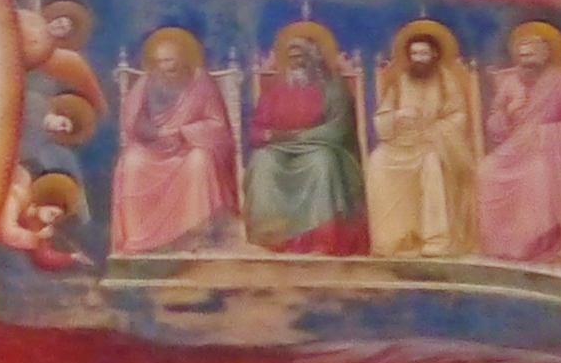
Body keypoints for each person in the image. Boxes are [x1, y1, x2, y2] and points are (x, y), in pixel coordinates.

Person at [477, 19, 561, 267]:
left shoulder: (560, 81)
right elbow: (494, 123)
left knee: (538, 175)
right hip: (515, 147)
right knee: (486, 172)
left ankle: (535, 246)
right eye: (522, 55)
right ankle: (501, 244)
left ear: (545, 56)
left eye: (532, 55)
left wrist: (545, 133)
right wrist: (506, 115)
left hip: (548, 151)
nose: (526, 60)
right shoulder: (509, 83)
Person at [109, 28, 241, 257]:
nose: (164, 66)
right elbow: (132, 123)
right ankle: (139, 239)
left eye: (169, 60)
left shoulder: (201, 83)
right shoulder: (146, 83)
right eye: (158, 61)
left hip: (187, 148)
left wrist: (183, 133)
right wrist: (153, 132)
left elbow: (218, 126)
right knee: (131, 162)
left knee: (199, 160)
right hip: (154, 148)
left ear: (182, 59)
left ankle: (192, 235)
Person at [243, 27, 369, 256]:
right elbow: (256, 129)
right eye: (291, 56)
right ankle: (270, 240)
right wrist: (270, 136)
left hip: (321, 147)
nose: (296, 60)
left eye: (301, 55)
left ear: (314, 56)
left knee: (321, 164)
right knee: (262, 163)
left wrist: (299, 137)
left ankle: (321, 241)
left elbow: (339, 129)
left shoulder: (333, 88)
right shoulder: (275, 90)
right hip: (279, 149)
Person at [363, 24, 480, 259]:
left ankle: (435, 239)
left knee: (431, 164)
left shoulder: (446, 80)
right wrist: (397, 117)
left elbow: (458, 116)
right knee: (377, 162)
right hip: (402, 143)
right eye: (414, 54)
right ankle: (394, 239)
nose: (419, 59)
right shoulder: (401, 81)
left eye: (423, 54)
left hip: (435, 144)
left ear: (434, 55)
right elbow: (382, 117)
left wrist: (434, 131)